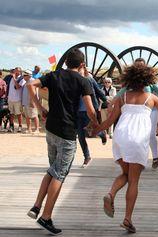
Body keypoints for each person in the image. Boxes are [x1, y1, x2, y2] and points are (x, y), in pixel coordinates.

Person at [91, 64, 158, 233]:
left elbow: (110, 121)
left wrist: (96, 129)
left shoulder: (124, 97)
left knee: (126, 174)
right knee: (133, 181)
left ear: (130, 79)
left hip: (120, 137)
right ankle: (127, 219)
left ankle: (111, 194)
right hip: (137, 139)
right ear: (147, 80)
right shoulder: (151, 98)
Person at [26, 48, 98, 235]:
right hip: (67, 132)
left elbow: (30, 84)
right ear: (82, 64)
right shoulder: (83, 81)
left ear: (66, 62)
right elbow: (90, 109)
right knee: (59, 174)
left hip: (51, 129)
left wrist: (40, 107)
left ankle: (36, 206)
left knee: (52, 170)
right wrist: (96, 125)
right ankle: (46, 217)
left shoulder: (54, 75)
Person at [113, 58, 158, 169]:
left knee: (150, 134)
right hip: (136, 111)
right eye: (137, 66)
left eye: (141, 66)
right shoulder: (131, 82)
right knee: (136, 135)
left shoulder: (150, 81)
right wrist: (112, 102)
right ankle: (137, 158)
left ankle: (155, 157)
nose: (139, 68)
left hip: (151, 110)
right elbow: (121, 92)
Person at [77, 66, 107, 168]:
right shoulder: (75, 79)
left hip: (89, 111)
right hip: (78, 112)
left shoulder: (89, 78)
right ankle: (87, 157)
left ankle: (102, 133)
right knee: (81, 136)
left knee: (94, 130)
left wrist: (107, 102)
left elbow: (99, 92)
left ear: (83, 69)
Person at [21, 69, 40, 134]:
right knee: (27, 116)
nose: (23, 77)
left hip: (31, 102)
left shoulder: (32, 81)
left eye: (24, 75)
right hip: (26, 102)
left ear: (28, 75)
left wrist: (32, 101)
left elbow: (34, 92)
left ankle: (37, 129)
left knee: (34, 115)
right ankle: (29, 129)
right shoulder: (26, 81)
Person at [7, 67, 25, 132]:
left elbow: (17, 87)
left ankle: (20, 126)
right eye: (14, 71)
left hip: (17, 99)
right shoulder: (10, 78)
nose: (15, 72)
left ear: (20, 72)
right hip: (10, 98)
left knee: (18, 113)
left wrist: (14, 78)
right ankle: (11, 126)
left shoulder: (22, 79)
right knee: (11, 113)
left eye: (16, 71)